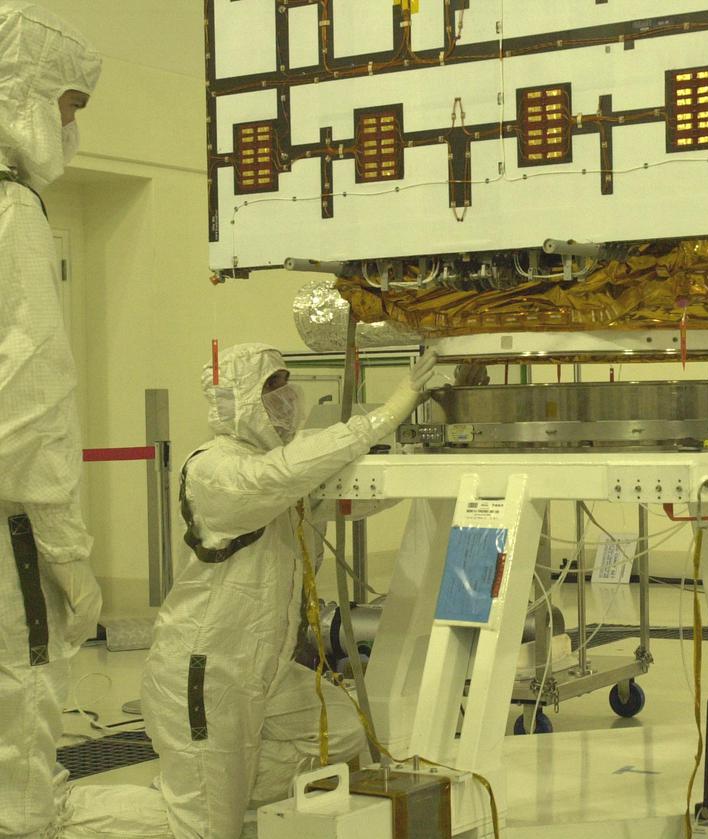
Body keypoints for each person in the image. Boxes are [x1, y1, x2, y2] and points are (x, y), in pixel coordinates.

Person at [59, 343, 480, 839]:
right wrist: (389, 411)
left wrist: (445, 429)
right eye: (271, 391)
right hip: (206, 675)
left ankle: (210, 792)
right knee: (204, 833)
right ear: (238, 402)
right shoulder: (215, 470)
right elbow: (279, 476)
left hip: (265, 672)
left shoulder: (278, 473)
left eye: (286, 387)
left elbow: (359, 496)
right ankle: (55, 813)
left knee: (340, 730)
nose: (287, 401)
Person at [0, 3, 102, 836]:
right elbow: (31, 404)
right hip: (8, 532)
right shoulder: (14, 213)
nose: (72, 124)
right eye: (70, 102)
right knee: (22, 712)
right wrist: (69, 554)